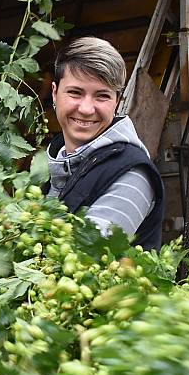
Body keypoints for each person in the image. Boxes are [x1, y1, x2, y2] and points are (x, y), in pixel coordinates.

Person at [43, 36, 164, 250]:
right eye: (75, 93)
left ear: (117, 101)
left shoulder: (133, 174)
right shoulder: (51, 166)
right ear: (55, 93)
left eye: (102, 96)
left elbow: (88, 257)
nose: (87, 109)